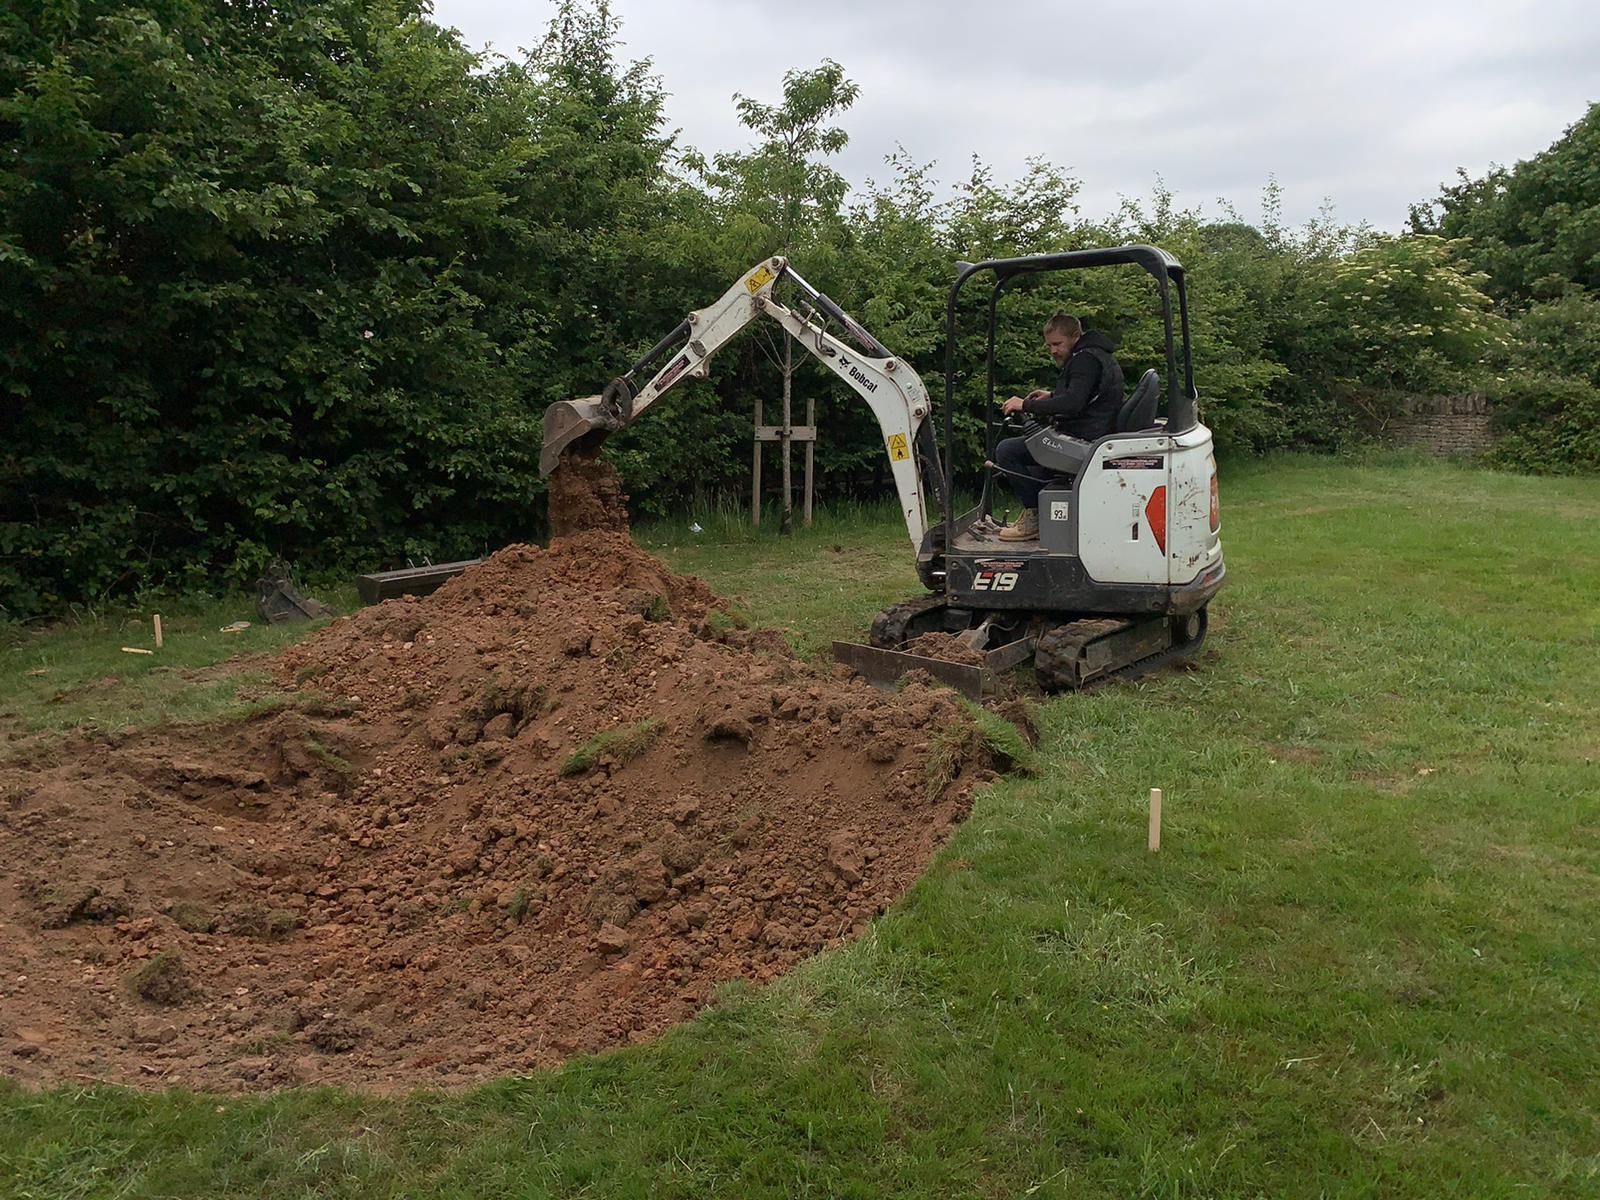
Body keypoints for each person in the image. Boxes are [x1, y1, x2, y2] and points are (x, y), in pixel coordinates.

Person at [992, 312, 1125, 541]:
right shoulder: (1095, 355)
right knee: (1033, 463)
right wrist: (1052, 395)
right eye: (1049, 346)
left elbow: (1073, 404)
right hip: (1092, 432)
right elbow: (1087, 396)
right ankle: (1042, 516)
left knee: (1007, 451)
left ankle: (1034, 520)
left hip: (1085, 440)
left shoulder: (1085, 360)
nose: (1053, 350)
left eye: (1057, 344)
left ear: (1075, 336)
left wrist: (1025, 404)